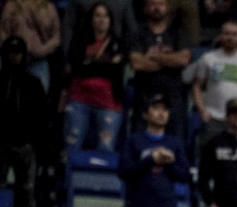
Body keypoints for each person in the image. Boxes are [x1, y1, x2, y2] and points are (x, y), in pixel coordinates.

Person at [63, 2, 126, 153]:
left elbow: (116, 70)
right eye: (97, 15)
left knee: (105, 149)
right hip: (79, 100)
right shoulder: (79, 41)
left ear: (111, 20)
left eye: (105, 16)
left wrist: (90, 63)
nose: (101, 19)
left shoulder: (118, 43)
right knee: (71, 147)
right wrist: (106, 63)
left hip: (108, 102)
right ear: (91, 18)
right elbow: (76, 67)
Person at [129, 0, 191, 139]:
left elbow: (183, 60)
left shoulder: (177, 31)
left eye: (161, 4)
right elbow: (137, 63)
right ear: (145, 8)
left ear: (167, 8)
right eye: (152, 4)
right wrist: (169, 59)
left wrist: (153, 56)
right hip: (144, 97)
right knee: (140, 144)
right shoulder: (138, 32)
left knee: (175, 143)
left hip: (173, 98)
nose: (156, 8)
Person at [192, 20, 237, 138]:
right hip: (213, 118)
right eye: (227, 33)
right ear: (220, 36)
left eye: (234, 34)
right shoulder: (208, 59)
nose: (230, 38)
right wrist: (202, 111)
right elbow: (196, 86)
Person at [0, 36, 44, 207]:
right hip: (1, 145)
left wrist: (36, 143)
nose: (14, 57)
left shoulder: (33, 83)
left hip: (26, 146)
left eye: (17, 53)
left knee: (25, 194)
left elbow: (41, 117)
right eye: (10, 53)